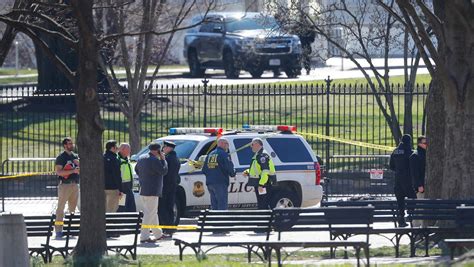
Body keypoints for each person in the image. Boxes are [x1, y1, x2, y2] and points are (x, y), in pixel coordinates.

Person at [135, 142, 168, 243]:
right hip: (152, 190)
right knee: (149, 214)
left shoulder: (141, 158)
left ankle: (158, 234)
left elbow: (137, 170)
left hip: (143, 188)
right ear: (158, 150)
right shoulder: (154, 160)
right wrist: (163, 159)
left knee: (153, 213)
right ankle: (144, 236)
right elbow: (164, 171)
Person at [54, 137, 80, 238]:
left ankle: (70, 229)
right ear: (65, 145)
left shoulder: (75, 156)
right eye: (69, 143)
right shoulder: (61, 157)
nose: (71, 145)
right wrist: (72, 171)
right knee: (61, 208)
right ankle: (59, 230)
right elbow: (59, 172)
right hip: (65, 185)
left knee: (73, 209)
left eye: (72, 143)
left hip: (75, 184)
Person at [389, 134, 416, 227]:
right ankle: (410, 216)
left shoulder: (395, 151)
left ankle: (401, 220)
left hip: (398, 180)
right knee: (413, 198)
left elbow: (391, 166)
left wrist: (398, 170)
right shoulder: (410, 152)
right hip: (408, 180)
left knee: (400, 202)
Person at [202, 138, 236, 210]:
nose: (228, 146)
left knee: (214, 205)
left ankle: (214, 220)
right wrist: (233, 173)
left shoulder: (210, 154)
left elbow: (204, 169)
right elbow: (229, 168)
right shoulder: (224, 154)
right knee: (222, 205)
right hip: (220, 183)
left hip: (210, 183)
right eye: (227, 144)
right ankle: (221, 220)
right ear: (222, 144)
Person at [243, 138, 276, 210]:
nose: (251, 146)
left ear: (257, 144)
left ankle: (264, 220)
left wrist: (261, 184)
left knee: (263, 204)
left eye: (252, 144)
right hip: (260, 183)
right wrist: (247, 172)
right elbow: (257, 169)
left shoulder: (262, 155)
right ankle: (263, 219)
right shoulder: (258, 154)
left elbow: (265, 171)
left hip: (264, 184)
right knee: (261, 203)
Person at [158, 141, 181, 238]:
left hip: (165, 186)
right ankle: (170, 227)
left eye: (164, 147)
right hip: (172, 186)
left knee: (163, 208)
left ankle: (166, 228)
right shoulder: (175, 158)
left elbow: (163, 171)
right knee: (170, 207)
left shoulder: (167, 158)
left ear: (168, 148)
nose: (163, 149)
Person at [410, 136, 427, 227]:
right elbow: (415, 173)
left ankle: (416, 226)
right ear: (419, 144)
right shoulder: (415, 155)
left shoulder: (425, 154)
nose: (427, 145)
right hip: (420, 186)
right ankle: (418, 227)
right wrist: (419, 185)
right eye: (425, 143)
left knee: (420, 207)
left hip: (424, 185)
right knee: (420, 206)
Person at [104, 140, 122, 213]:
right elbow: (117, 175)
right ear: (112, 148)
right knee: (112, 210)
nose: (117, 148)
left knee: (104, 209)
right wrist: (120, 189)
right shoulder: (115, 159)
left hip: (102, 188)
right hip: (113, 188)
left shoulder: (102, 157)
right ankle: (109, 224)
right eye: (116, 146)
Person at [117, 143, 136, 212]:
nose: (130, 151)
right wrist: (119, 189)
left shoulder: (127, 160)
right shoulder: (117, 160)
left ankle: (131, 222)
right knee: (121, 208)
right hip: (121, 188)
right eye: (128, 149)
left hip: (129, 188)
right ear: (122, 150)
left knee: (131, 207)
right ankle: (121, 222)